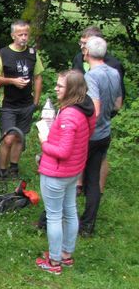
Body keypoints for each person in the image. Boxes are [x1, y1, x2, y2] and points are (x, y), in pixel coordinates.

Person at [35, 71, 95, 274]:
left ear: (71, 89)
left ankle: (53, 262)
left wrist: (44, 142)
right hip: (73, 170)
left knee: (54, 215)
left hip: (57, 172)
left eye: (60, 86)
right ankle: (66, 254)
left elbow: (63, 151)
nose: (56, 89)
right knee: (70, 210)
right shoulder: (85, 108)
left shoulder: (69, 114)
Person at [72, 26, 125, 194]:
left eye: (85, 44)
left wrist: (90, 121)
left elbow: (116, 96)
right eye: (81, 43)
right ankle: (81, 185)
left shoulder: (112, 66)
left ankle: (96, 189)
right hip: (92, 117)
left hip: (93, 121)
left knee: (93, 156)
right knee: (87, 154)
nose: (82, 48)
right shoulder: (79, 59)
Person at [79, 37, 122, 236]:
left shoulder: (92, 76)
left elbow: (94, 110)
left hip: (90, 135)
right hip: (105, 133)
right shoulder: (114, 72)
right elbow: (117, 105)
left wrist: (79, 130)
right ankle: (88, 225)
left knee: (69, 176)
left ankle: (49, 220)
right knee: (94, 180)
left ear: (87, 52)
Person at [0, 20, 43, 178]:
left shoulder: (33, 54)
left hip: (26, 103)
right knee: (8, 138)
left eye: (26, 34)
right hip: (8, 104)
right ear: (13, 35)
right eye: (20, 34)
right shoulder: (3, 54)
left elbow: (38, 77)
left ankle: (14, 168)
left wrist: (36, 100)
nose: (23, 37)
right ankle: (1, 170)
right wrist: (13, 81)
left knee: (20, 137)